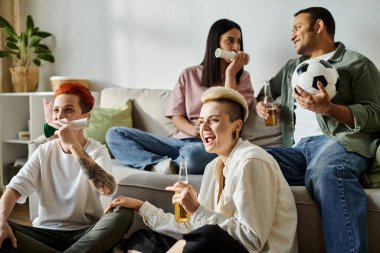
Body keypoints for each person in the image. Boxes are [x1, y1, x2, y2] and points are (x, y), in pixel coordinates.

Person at [104, 86, 298, 253]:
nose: (204, 127)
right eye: (201, 120)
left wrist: (197, 209)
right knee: (143, 239)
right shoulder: (213, 167)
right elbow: (193, 225)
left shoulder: (251, 161)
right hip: (216, 245)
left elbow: (252, 240)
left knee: (207, 236)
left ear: (237, 126)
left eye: (213, 120)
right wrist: (141, 206)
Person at [256, 7, 380, 253]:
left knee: (328, 171)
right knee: (248, 159)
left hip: (339, 144)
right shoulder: (292, 67)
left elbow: (376, 114)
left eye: (297, 28)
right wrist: (262, 103)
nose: (292, 35)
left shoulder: (357, 63)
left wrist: (330, 109)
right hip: (297, 151)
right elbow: (266, 89)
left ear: (319, 26)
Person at [106, 18, 253, 175]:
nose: (236, 47)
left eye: (239, 42)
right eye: (230, 41)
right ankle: (159, 164)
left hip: (207, 146)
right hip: (178, 141)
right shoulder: (189, 74)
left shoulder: (242, 78)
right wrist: (193, 129)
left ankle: (174, 164)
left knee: (194, 154)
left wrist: (231, 73)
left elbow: (230, 111)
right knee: (115, 134)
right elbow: (176, 116)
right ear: (215, 44)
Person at [0, 83, 133, 252]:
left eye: (68, 110)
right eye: (56, 110)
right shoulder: (43, 151)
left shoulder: (97, 150)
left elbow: (106, 189)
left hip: (86, 233)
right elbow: (13, 189)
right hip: (46, 233)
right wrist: (1, 222)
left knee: (124, 214)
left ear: (85, 118)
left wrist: (73, 144)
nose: (59, 117)